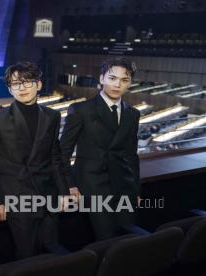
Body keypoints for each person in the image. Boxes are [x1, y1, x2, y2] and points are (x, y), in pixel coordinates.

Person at [0, 62, 70, 259]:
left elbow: (55, 157)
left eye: (27, 82)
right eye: (15, 84)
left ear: (38, 85)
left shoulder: (52, 116)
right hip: (16, 197)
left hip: (48, 195)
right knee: (26, 255)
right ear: (10, 89)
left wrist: (63, 192)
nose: (21, 88)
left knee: (51, 251)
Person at [60, 57, 141, 240]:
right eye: (112, 78)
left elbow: (131, 155)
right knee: (107, 238)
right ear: (102, 78)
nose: (117, 84)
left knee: (129, 236)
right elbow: (63, 153)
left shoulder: (133, 114)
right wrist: (70, 184)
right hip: (92, 184)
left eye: (124, 80)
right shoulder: (80, 110)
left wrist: (135, 189)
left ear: (129, 84)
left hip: (124, 185)